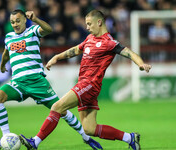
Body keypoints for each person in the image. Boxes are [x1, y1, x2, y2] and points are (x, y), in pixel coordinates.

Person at [20, 10, 152, 150]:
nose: (87, 27)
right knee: (90, 129)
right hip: (85, 85)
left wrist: (141, 64)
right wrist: (57, 57)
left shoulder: (109, 42)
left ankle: (35, 142)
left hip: (89, 84)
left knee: (57, 107)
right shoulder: (90, 38)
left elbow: (129, 53)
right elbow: (76, 50)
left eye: (89, 24)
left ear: (99, 22)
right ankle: (130, 138)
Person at [0, 9, 102, 150]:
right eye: (12, 22)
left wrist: (35, 19)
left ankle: (87, 138)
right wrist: (2, 65)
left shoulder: (33, 31)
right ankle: (5, 137)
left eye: (18, 21)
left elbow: (48, 29)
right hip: (18, 83)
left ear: (25, 19)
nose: (15, 24)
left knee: (62, 111)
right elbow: (6, 52)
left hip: (37, 82)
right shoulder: (9, 37)